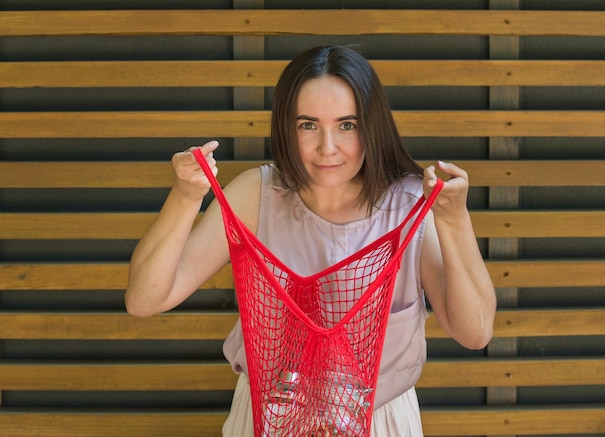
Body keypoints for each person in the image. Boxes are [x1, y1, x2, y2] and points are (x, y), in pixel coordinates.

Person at [125, 45, 496, 436]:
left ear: (372, 126)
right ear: (287, 127)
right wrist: (184, 196)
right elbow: (144, 299)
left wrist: (454, 220)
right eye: (308, 125)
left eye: (347, 125)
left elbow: (475, 332)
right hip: (265, 418)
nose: (327, 148)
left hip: (380, 420)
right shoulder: (257, 195)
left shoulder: (410, 206)